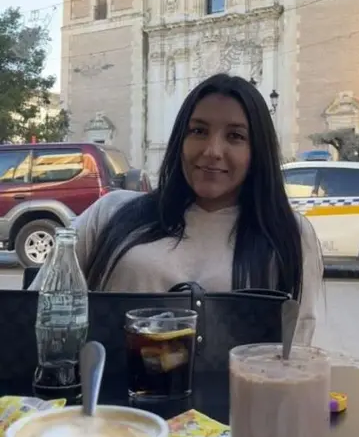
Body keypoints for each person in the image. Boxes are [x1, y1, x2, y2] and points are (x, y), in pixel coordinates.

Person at [31, 74, 324, 343]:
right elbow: (36, 312)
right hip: (106, 385)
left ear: (258, 150)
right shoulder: (109, 212)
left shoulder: (288, 235)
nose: (212, 151)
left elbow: (295, 352)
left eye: (235, 136)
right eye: (198, 131)